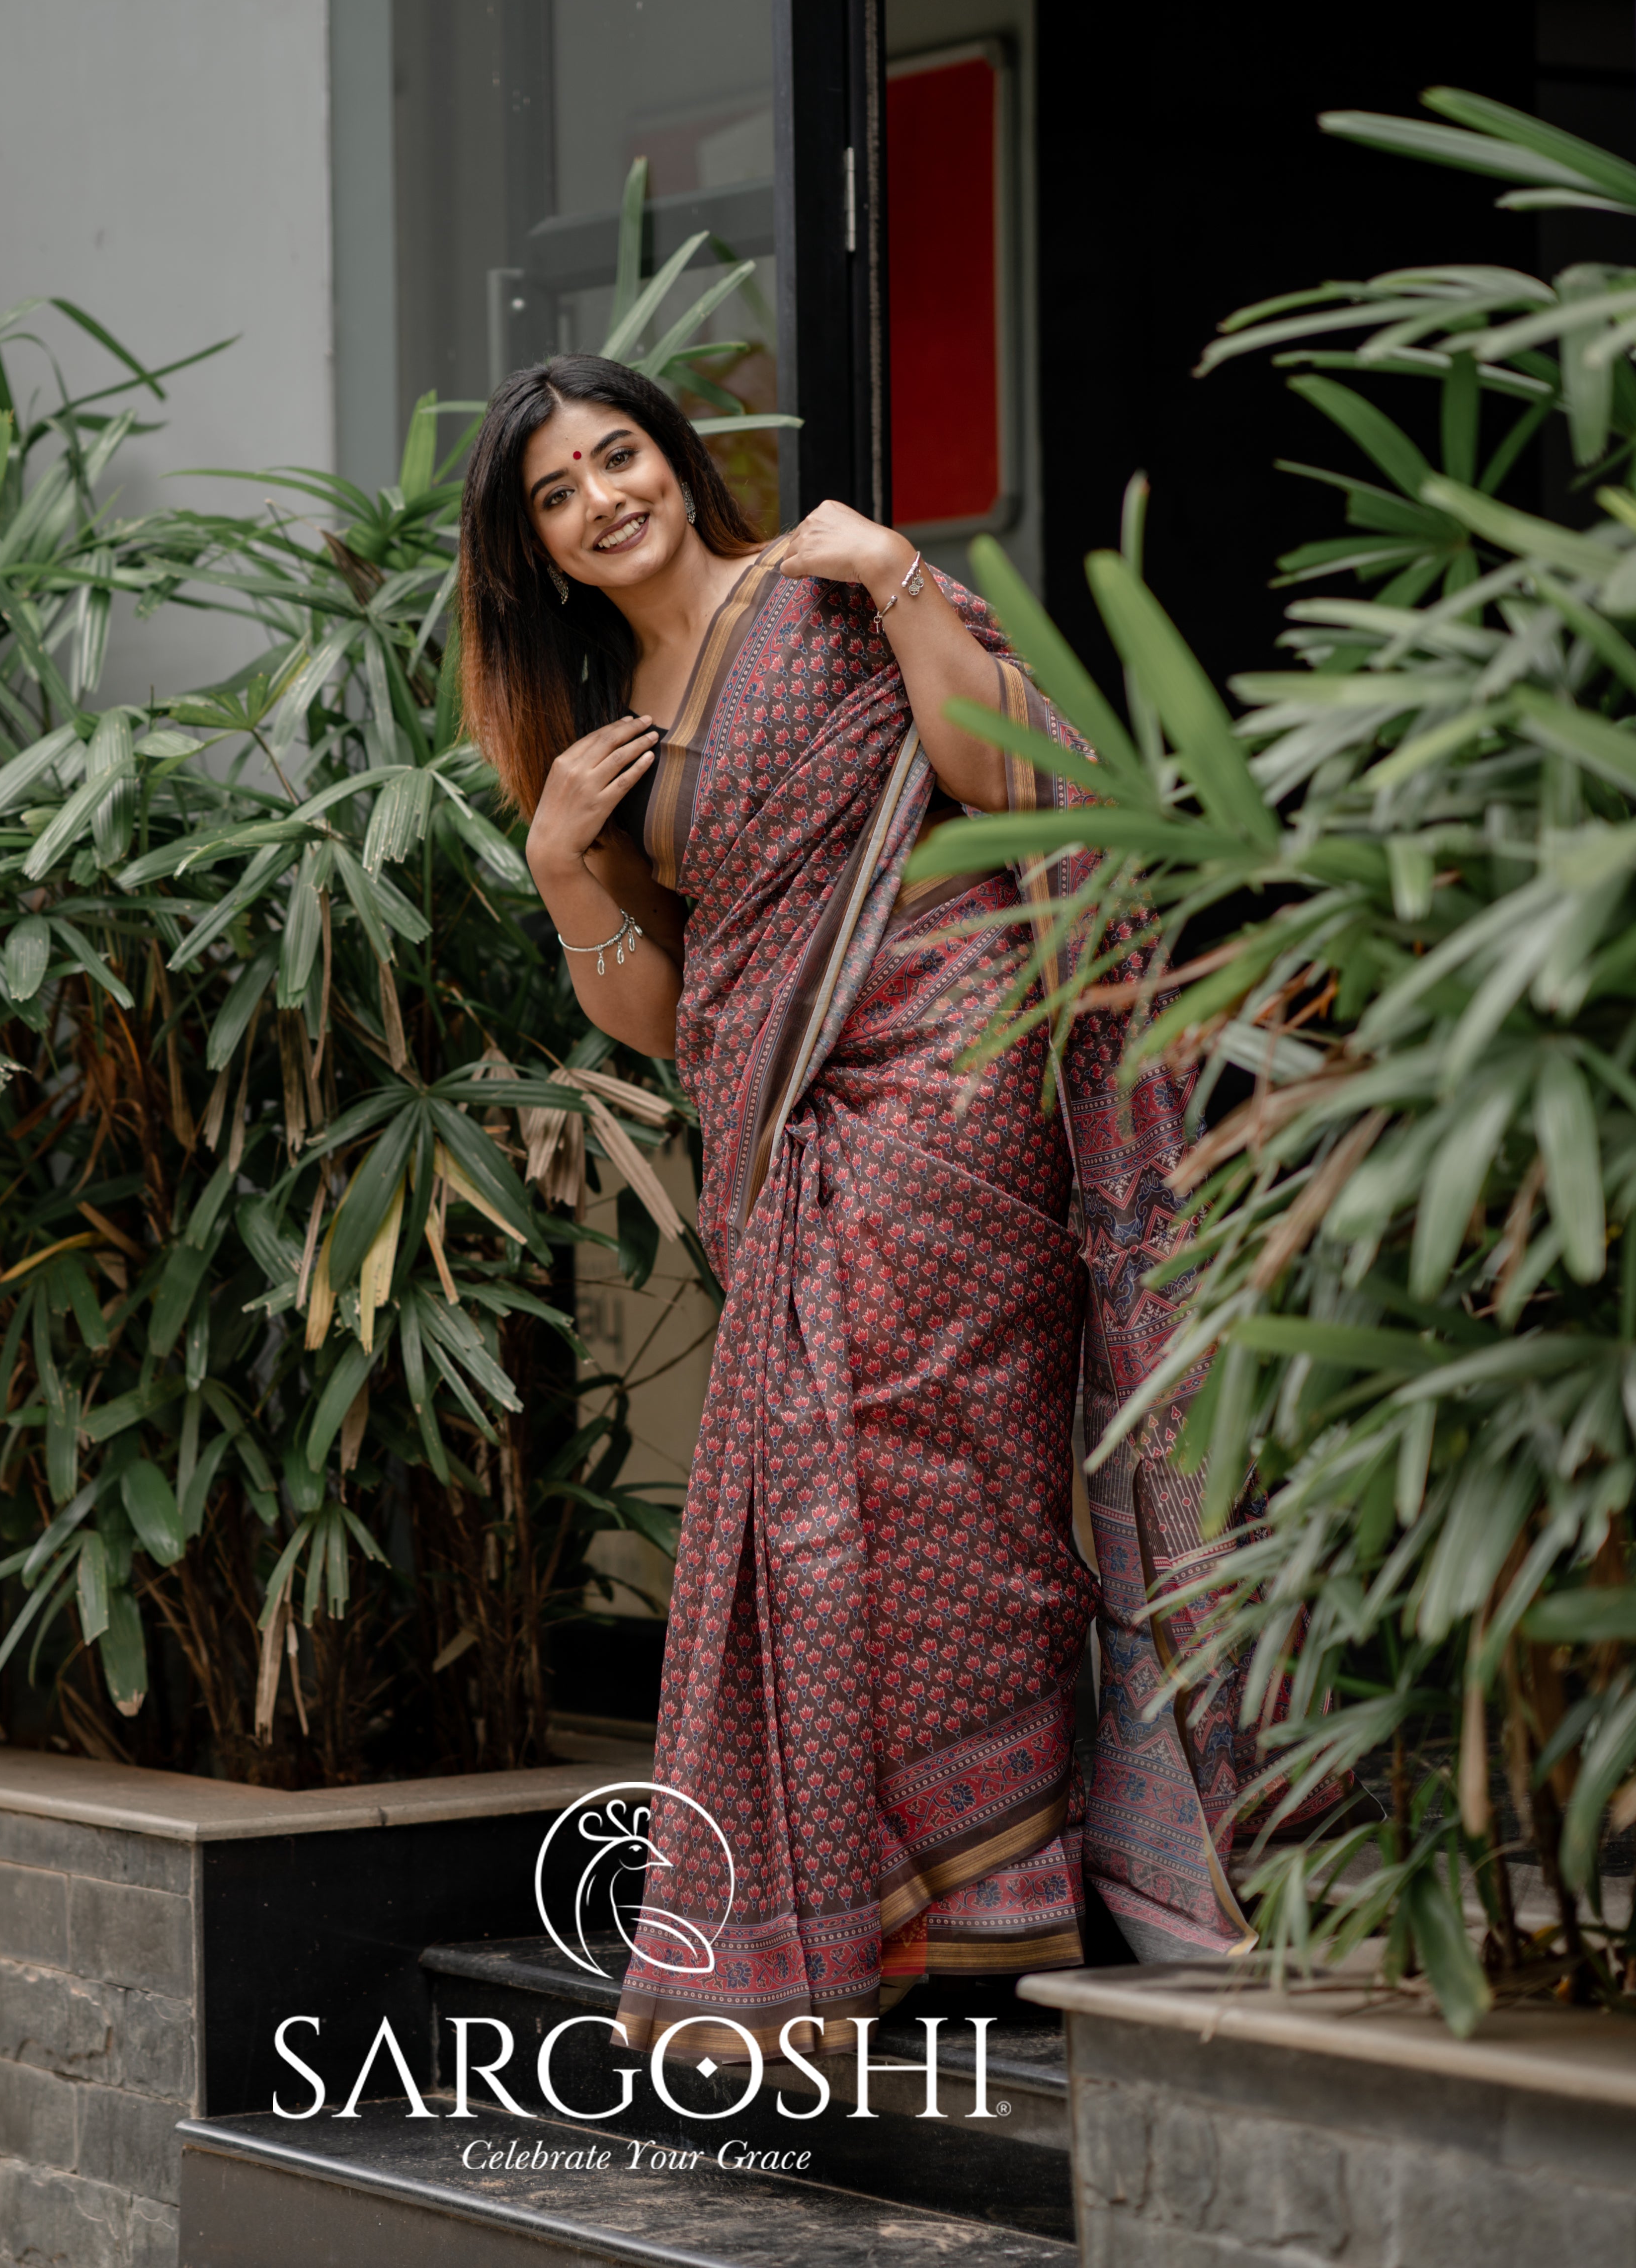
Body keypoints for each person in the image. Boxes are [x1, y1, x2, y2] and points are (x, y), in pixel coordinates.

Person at [457, 355, 1259, 2060]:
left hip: (953, 1093)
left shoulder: (814, 592)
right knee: (839, 1519)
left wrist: (901, 577)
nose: (608, 497)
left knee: (944, 1479)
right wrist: (563, 870)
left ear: (677, 461)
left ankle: (1016, 1878)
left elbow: (1001, 782)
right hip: (783, 1147)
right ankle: (930, 1902)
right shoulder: (607, 735)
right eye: (560, 490)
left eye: (623, 456)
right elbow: (676, 1015)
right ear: (534, 549)